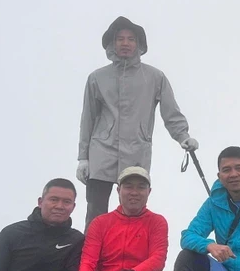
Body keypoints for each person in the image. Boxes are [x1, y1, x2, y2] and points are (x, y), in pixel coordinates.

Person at [76, 16, 199, 231]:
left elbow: (171, 113)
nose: (125, 43)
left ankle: (130, 259)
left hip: (136, 150)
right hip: (101, 152)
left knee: (133, 208)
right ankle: (90, 262)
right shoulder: (97, 78)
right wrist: (83, 158)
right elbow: (88, 119)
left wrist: (183, 137)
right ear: (112, 43)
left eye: (131, 39)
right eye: (120, 39)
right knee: (96, 213)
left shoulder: (155, 77)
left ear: (139, 44)